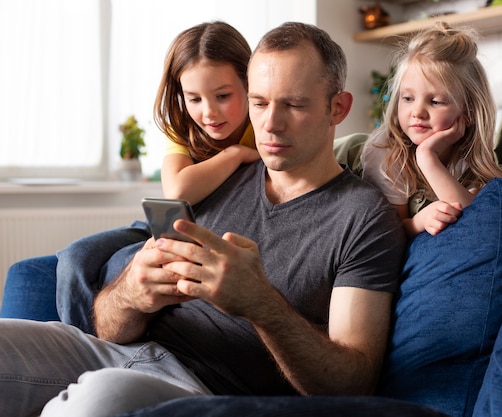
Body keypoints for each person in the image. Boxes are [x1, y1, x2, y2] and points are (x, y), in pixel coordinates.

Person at [0, 22, 406, 417]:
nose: (270, 124)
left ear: (338, 107)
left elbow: (353, 383)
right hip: (111, 352)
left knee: (100, 398)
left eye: (295, 105)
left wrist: (261, 305)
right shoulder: (217, 176)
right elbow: (109, 329)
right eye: (260, 103)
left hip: (203, 387)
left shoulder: (363, 217)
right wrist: (131, 293)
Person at [53, 21, 260, 334]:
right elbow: (176, 191)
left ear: (248, 83)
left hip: (208, 233)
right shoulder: (184, 129)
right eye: (194, 99)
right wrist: (234, 155)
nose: (209, 113)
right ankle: (82, 350)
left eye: (222, 96)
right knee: (73, 257)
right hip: (161, 227)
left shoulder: (260, 127)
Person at [361, 22, 502, 238]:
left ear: (469, 111)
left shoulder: (474, 158)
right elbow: (387, 235)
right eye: (408, 98)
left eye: (436, 102)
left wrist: (428, 158)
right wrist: (418, 222)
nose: (417, 112)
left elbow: (476, 226)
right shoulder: (385, 154)